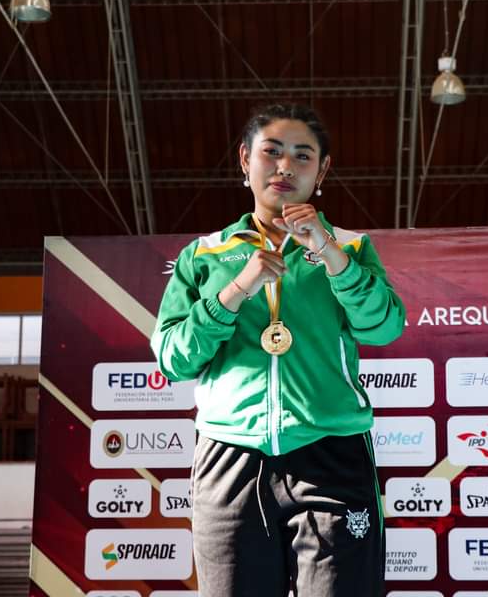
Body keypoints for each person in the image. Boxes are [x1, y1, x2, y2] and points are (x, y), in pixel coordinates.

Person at [151, 103, 406, 597]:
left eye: (302, 156)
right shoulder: (204, 255)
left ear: (322, 171)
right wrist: (235, 291)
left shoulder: (350, 247)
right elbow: (174, 359)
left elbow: (383, 327)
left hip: (332, 453)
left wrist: (330, 255)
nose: (285, 167)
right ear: (245, 160)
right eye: (271, 152)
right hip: (229, 457)